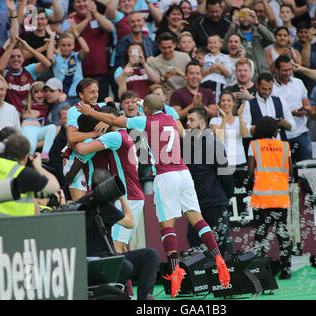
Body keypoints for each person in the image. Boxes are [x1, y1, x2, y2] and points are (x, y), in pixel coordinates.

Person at [77, 93, 231, 298]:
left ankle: (175, 272)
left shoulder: (145, 120)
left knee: (167, 225)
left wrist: (91, 112)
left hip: (165, 175)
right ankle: (219, 258)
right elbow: (155, 107)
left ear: (146, 110)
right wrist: (145, 104)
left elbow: (115, 120)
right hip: (184, 172)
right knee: (198, 219)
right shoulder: (170, 118)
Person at [74, 104, 145, 255]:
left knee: (117, 248)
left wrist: (74, 141)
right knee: (120, 247)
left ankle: (120, 279)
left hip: (128, 196)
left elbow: (81, 149)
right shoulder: (125, 135)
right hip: (134, 195)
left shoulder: (115, 136)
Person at [85, 168, 159, 300]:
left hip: (102, 258)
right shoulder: (103, 205)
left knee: (149, 255)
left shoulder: (86, 202)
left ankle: (145, 297)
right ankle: (125, 294)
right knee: (132, 262)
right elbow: (130, 222)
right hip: (102, 261)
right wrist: (121, 197)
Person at [184, 107, 234, 257]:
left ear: (202, 122)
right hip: (196, 201)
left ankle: (228, 274)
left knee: (222, 241)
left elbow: (224, 171)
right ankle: (208, 275)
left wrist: (229, 194)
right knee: (195, 239)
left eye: (191, 120)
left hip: (214, 200)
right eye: (187, 120)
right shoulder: (188, 143)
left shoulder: (213, 142)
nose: (187, 123)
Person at [247, 116, 293, 280]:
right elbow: (291, 172)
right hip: (280, 198)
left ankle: (261, 271)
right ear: (275, 130)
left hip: (262, 198)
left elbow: (251, 172)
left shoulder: (254, 146)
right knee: (282, 234)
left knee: (261, 235)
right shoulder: (285, 146)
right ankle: (286, 269)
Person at [0, 133, 60, 217]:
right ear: (25, 157)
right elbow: (55, 187)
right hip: (16, 226)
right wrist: (38, 167)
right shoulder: (24, 173)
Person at [64, 78, 109, 200]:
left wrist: (108, 123)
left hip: (91, 161)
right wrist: (95, 133)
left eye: (97, 91)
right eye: (92, 92)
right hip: (73, 160)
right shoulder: (74, 111)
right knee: (80, 206)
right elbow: (72, 137)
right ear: (81, 95)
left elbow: (118, 115)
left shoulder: (100, 106)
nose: (96, 95)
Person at [62, 0, 114, 102]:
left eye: (84, 1)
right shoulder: (70, 19)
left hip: (101, 72)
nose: (82, 4)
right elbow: (69, 35)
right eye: (78, 2)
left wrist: (95, 14)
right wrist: (86, 20)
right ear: (73, 5)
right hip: (79, 75)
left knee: (101, 104)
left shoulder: (99, 17)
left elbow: (110, 28)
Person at [272, 55, 313, 163]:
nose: (288, 73)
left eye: (290, 69)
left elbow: (307, 104)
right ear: (276, 70)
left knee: (307, 168)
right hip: (281, 135)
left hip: (301, 132)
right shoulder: (271, 87)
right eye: (284, 70)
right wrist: (291, 113)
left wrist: (305, 110)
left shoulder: (298, 82)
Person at [0, 36, 53, 115]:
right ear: (8, 60)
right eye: (12, 57)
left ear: (23, 59)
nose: (16, 59)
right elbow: (0, 68)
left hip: (29, 114)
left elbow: (47, 64)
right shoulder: (5, 73)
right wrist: (12, 44)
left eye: (19, 56)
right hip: (10, 114)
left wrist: (27, 47)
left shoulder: (29, 70)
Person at [222, 7, 274, 80]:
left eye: (248, 15)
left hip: (263, 72)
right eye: (242, 15)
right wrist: (233, 24)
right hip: (247, 76)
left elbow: (272, 39)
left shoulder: (259, 32)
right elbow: (224, 48)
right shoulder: (235, 34)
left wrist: (257, 23)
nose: (245, 18)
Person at [242, 72, 295, 141]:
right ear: (257, 85)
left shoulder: (280, 101)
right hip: (259, 146)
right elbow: (245, 130)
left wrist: (285, 124)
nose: (267, 92)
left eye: (270, 89)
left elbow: (293, 126)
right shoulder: (248, 104)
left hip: (279, 146)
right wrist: (262, 127)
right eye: (264, 89)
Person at [48, 21, 90, 107]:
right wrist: (52, 37)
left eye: (69, 45)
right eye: (63, 45)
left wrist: (75, 32)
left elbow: (86, 50)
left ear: (74, 45)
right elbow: (49, 57)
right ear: (59, 46)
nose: (66, 48)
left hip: (79, 97)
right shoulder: (56, 58)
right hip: (62, 97)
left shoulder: (76, 56)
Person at [169, 61, 218, 127]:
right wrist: (192, 105)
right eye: (191, 73)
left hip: (205, 132)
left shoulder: (208, 92)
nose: (195, 76)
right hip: (185, 132)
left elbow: (215, 114)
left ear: (201, 76)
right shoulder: (177, 93)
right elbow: (175, 117)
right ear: (185, 76)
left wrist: (201, 105)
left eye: (197, 73)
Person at [148, 32, 192, 104]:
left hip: (186, 93)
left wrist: (181, 74)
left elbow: (193, 79)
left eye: (169, 47)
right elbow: (156, 87)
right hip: (168, 97)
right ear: (159, 47)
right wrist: (164, 78)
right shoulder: (155, 62)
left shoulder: (185, 57)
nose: (167, 51)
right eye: (164, 48)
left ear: (174, 45)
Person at [209, 91, 249, 168]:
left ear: (234, 103)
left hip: (241, 160)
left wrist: (240, 115)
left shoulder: (239, 119)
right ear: (219, 104)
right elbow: (220, 138)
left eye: (229, 100)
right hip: (223, 161)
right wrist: (224, 118)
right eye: (223, 100)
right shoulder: (215, 120)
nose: (226, 103)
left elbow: (245, 135)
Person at [21, 81, 57, 161]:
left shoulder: (47, 105)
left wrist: (63, 96)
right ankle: (27, 162)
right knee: (32, 146)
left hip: (39, 130)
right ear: (32, 94)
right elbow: (21, 115)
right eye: (36, 92)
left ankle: (45, 153)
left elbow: (57, 99)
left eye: (42, 91)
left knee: (52, 127)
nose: (40, 94)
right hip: (28, 129)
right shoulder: (28, 105)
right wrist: (26, 115)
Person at [201, 35, 231, 101]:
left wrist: (219, 66)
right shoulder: (206, 57)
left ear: (220, 44)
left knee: (215, 100)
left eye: (215, 43)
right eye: (210, 43)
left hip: (218, 82)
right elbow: (202, 73)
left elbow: (228, 74)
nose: (212, 45)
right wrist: (212, 69)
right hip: (205, 82)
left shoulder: (224, 57)